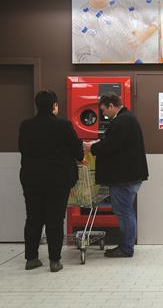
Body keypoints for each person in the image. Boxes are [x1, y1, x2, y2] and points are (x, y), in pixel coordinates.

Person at [19, 90, 84, 272]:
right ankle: (55, 261)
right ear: (54, 106)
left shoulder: (26, 125)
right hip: (58, 179)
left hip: (31, 178)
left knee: (33, 218)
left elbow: (22, 148)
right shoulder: (63, 126)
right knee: (55, 219)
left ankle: (31, 259)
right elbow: (77, 153)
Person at [83, 93, 148, 258]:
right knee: (126, 211)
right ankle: (126, 246)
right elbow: (116, 142)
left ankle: (126, 248)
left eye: (104, 110)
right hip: (129, 175)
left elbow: (112, 145)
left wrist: (93, 148)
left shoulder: (122, 121)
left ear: (112, 105)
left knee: (124, 212)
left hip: (124, 178)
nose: (104, 113)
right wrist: (98, 143)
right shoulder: (126, 118)